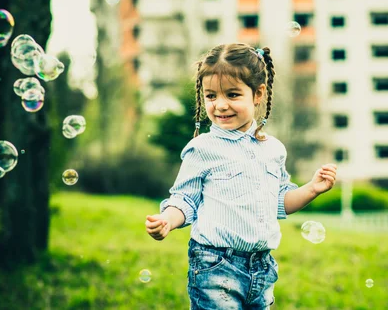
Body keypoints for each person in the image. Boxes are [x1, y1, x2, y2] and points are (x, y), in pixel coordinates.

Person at [145, 43, 338, 309]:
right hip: (215, 265)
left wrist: (312, 189)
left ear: (257, 94)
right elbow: (185, 200)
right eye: (211, 96)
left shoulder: (273, 150)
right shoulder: (202, 149)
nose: (220, 105)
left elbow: (280, 202)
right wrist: (167, 219)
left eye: (233, 94)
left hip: (262, 266)